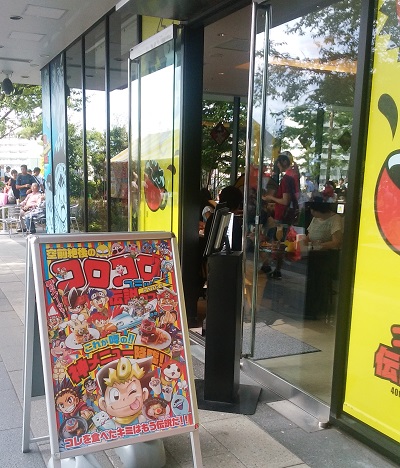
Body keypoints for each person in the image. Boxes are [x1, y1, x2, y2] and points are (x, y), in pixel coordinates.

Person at [303, 200, 343, 319]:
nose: (311, 212)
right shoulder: (315, 219)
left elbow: (336, 242)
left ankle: (316, 308)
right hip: (313, 253)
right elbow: (309, 237)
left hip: (327, 256)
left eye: (313, 210)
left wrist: (320, 245)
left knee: (317, 278)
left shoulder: (335, 219)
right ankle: (309, 306)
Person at [262, 153, 296, 279]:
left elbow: (285, 201)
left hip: (282, 215)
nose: (277, 165)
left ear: (283, 163)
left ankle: (274, 268)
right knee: (280, 242)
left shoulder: (286, 179)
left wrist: (270, 198)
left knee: (276, 242)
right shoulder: (292, 177)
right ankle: (276, 269)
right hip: (287, 215)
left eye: (278, 163)